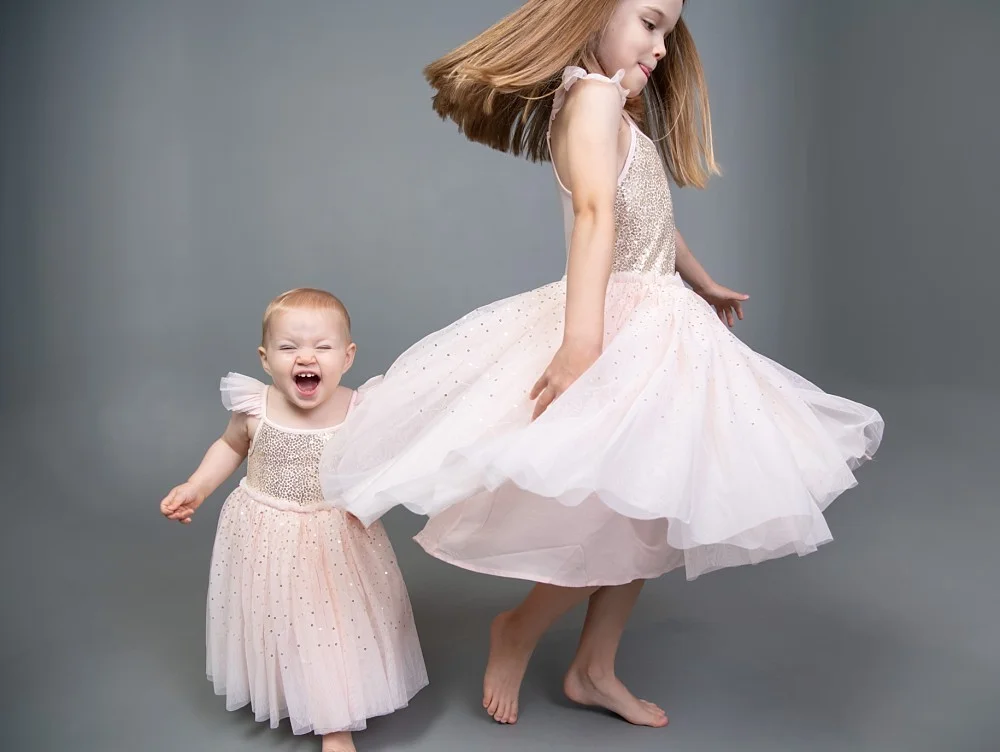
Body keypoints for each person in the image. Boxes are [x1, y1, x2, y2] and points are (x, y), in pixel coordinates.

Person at [320, 0, 883, 728]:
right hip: (618, 326)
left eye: (670, 33)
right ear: (591, 12)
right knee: (628, 507)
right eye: (649, 22)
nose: (659, 46)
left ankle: (593, 669)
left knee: (653, 505)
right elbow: (594, 214)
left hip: (663, 322)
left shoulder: (617, 108)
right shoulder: (588, 99)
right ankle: (519, 628)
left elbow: (646, 211)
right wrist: (582, 339)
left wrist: (700, 278)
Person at [160, 288, 428, 751]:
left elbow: (386, 459)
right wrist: (196, 487)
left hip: (334, 537)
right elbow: (230, 448)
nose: (306, 356)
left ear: (347, 357)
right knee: (278, 616)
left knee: (330, 620)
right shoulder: (254, 406)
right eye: (289, 348)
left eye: (322, 347)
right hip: (264, 532)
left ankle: (333, 723)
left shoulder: (358, 408)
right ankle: (289, 686)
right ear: (266, 359)